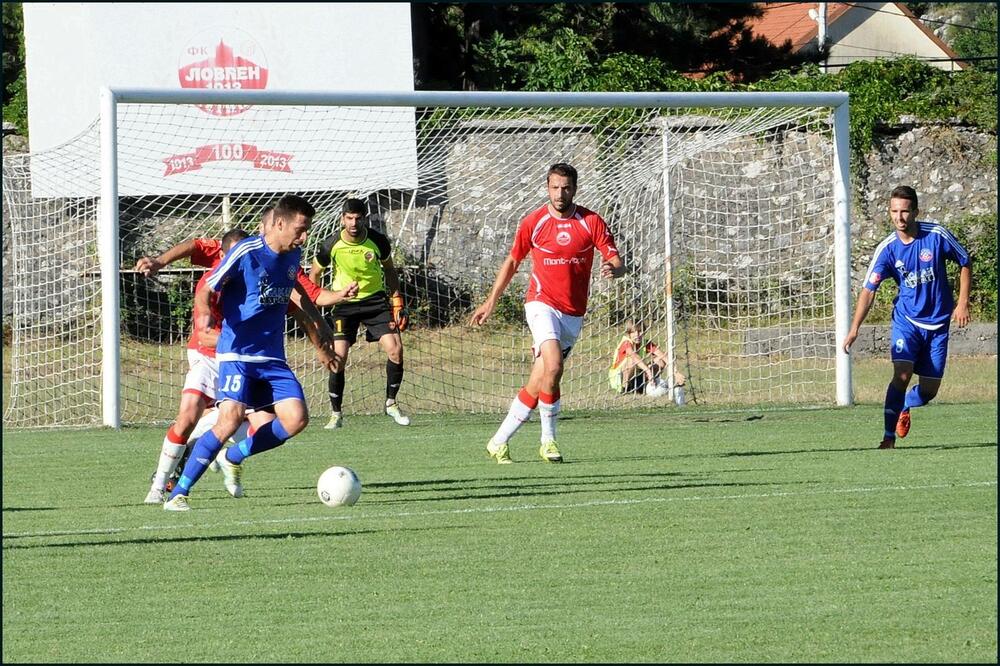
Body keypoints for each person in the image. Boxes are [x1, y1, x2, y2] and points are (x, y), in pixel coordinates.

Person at [136, 210, 355, 504]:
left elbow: (300, 297)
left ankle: (232, 456)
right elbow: (206, 286)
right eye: (300, 230)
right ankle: (177, 492)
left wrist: (321, 331)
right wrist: (203, 316)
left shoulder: (290, 256)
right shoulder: (242, 252)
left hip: (271, 358)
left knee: (295, 419)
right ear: (278, 224)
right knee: (223, 418)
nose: (304, 237)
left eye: (306, 230)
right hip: (235, 354)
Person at [471, 162, 625, 464]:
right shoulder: (534, 222)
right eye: (555, 187)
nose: (560, 193)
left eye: (566, 187)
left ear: (575, 189)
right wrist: (491, 301)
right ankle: (548, 441)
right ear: (547, 187)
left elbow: (616, 260)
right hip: (541, 304)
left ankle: (498, 441)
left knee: (540, 380)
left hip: (573, 314)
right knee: (553, 366)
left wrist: (615, 269)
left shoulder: (591, 221)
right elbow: (513, 261)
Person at [843, 185, 972, 449]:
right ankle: (888, 437)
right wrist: (855, 328)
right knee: (902, 374)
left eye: (904, 211)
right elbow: (869, 290)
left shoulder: (936, 236)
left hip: (938, 324)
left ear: (915, 211)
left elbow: (964, 260)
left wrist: (962, 302)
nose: (899, 217)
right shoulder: (887, 249)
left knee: (929, 391)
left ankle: (906, 404)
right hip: (907, 322)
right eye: (894, 211)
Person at [309, 198, 411, 430]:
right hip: (344, 304)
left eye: (357, 218)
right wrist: (317, 303)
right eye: (349, 218)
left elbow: (390, 271)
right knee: (338, 359)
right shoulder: (330, 245)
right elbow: (314, 274)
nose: (353, 223)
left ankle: (391, 403)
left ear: (364, 218)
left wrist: (397, 303)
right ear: (342, 219)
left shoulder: (377, 241)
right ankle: (336, 414)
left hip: (375, 302)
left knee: (395, 350)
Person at [608, 320, 671, 394]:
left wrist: (676, 373)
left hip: (636, 374)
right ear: (629, 334)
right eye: (633, 332)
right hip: (618, 378)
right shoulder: (626, 342)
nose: (637, 335)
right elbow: (634, 357)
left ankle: (644, 386)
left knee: (660, 361)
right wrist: (648, 371)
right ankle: (625, 388)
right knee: (632, 360)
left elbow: (663, 355)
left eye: (640, 331)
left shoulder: (645, 342)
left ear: (644, 332)